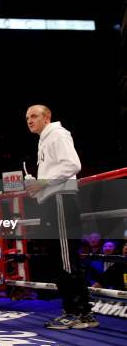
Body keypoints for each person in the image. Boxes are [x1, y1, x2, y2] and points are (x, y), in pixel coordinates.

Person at [25, 104, 98, 329]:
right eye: (27, 117)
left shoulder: (56, 134)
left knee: (66, 259)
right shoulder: (45, 139)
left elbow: (73, 164)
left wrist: (43, 182)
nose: (29, 120)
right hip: (53, 202)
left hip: (61, 200)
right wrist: (37, 184)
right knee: (59, 260)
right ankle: (73, 310)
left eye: (34, 116)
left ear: (47, 117)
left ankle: (81, 312)